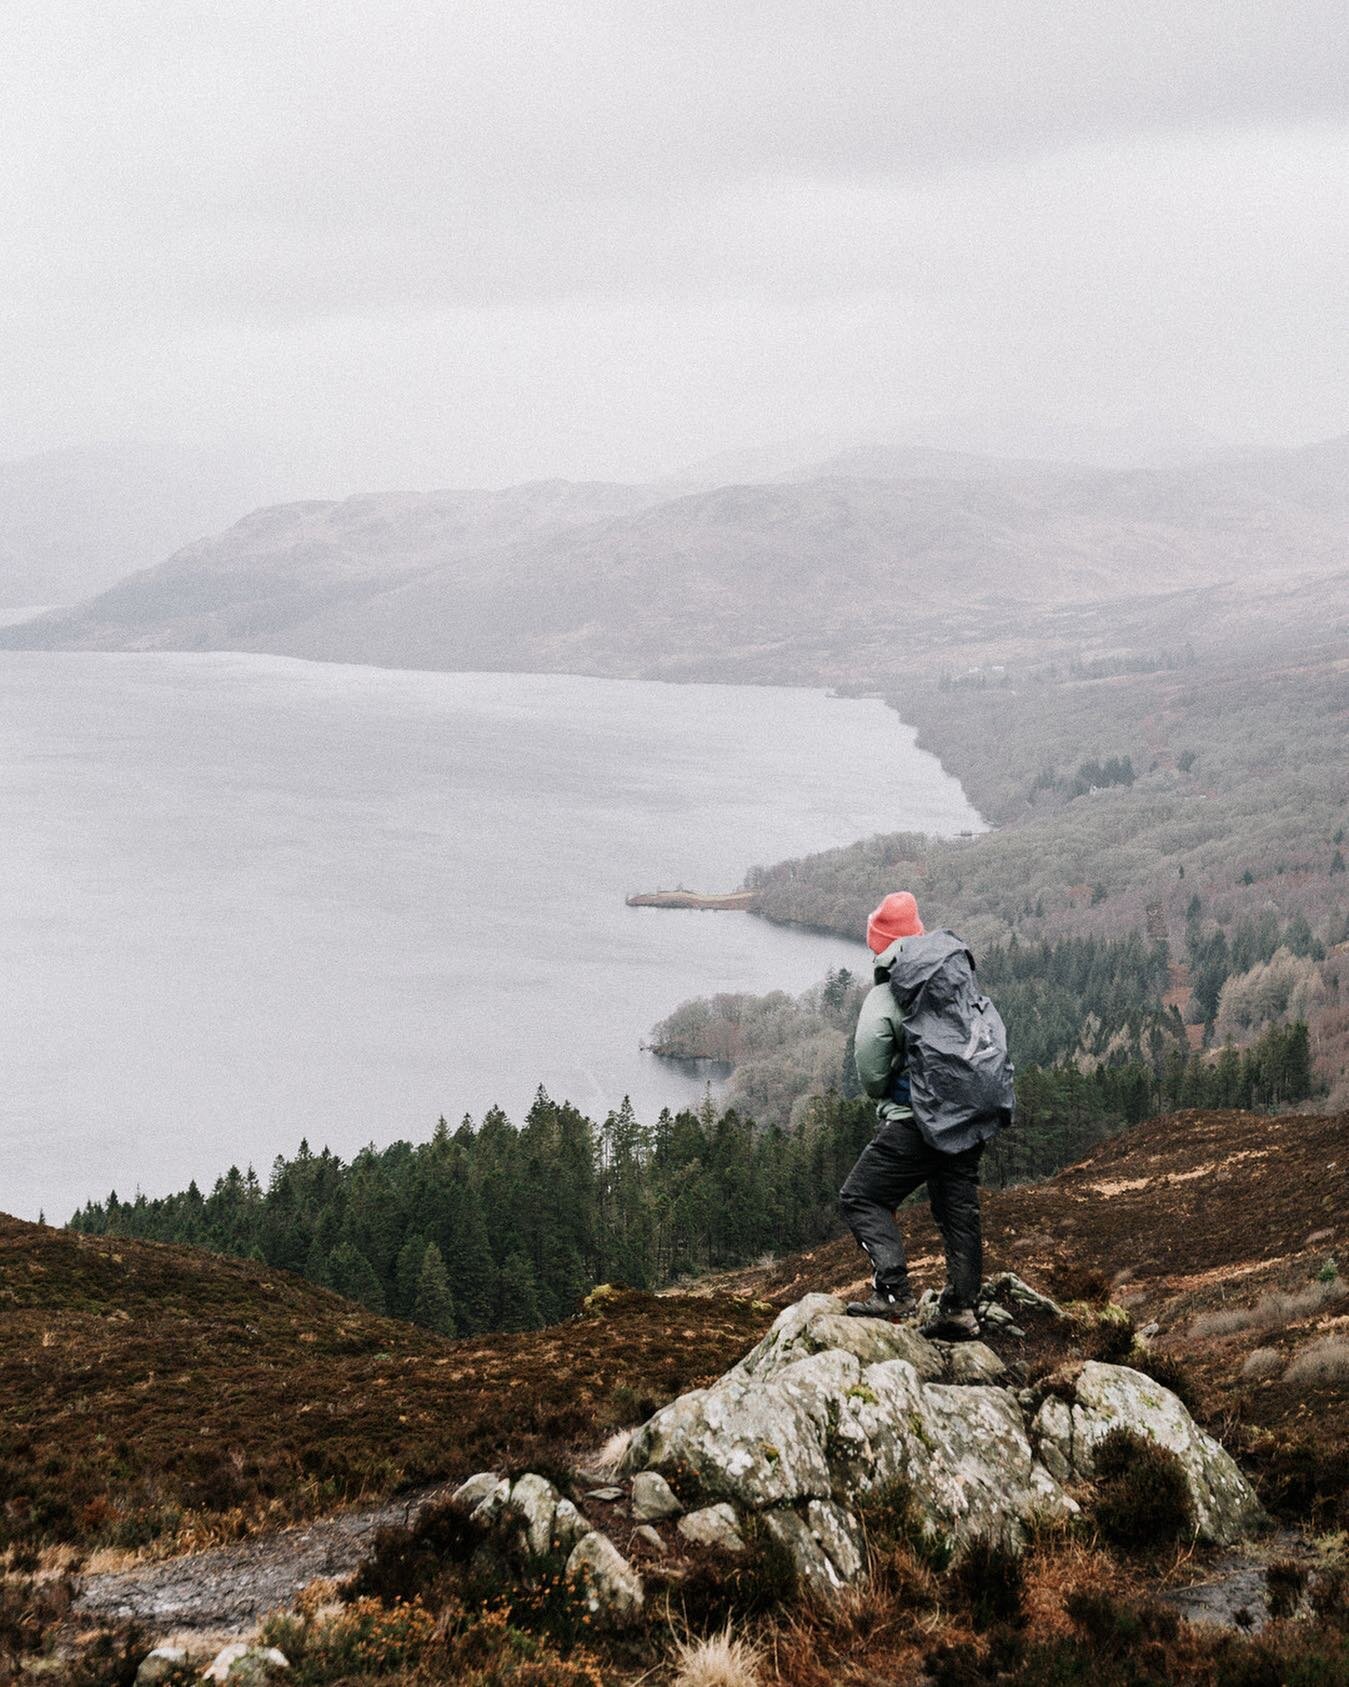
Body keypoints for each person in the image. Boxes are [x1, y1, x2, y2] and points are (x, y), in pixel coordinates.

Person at [839, 890, 988, 1341]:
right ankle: (961, 1310)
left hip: (916, 1121)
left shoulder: (889, 993)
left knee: (860, 1198)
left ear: (882, 944)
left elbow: (870, 1070)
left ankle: (893, 1292)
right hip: (966, 1116)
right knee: (956, 1209)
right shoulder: (954, 980)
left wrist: (889, 1091)